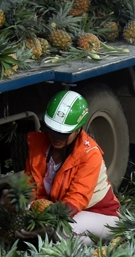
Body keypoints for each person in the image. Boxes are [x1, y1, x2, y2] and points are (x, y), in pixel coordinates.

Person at [20, 89, 120, 242]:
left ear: (79, 129)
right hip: (61, 212)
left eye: (63, 134)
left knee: (64, 231)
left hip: (101, 215)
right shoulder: (38, 146)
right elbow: (32, 189)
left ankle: (98, 246)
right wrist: (27, 209)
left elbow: (76, 200)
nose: (56, 138)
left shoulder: (90, 154)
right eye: (52, 131)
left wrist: (48, 224)